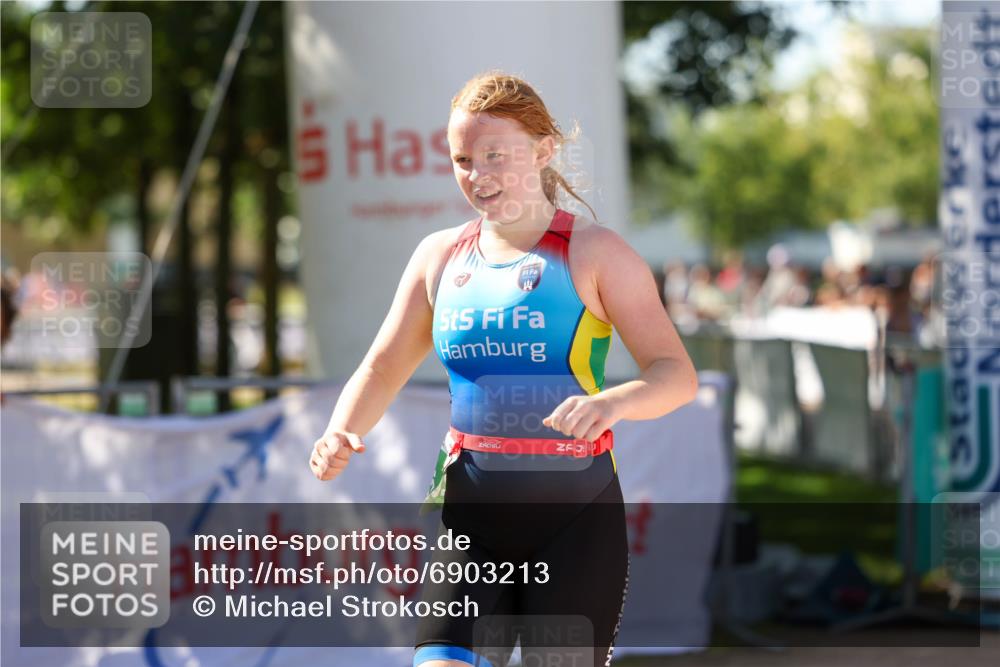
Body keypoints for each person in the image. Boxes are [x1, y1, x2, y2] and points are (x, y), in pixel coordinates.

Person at [309, 71, 698, 667]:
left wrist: (612, 403)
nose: (477, 174)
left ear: (543, 150)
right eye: (462, 160)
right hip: (469, 517)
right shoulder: (439, 256)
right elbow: (383, 366)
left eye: (495, 155)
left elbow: (676, 373)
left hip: (575, 521)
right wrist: (342, 429)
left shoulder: (597, 253)